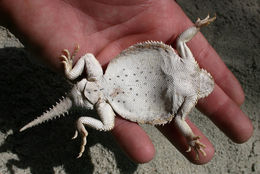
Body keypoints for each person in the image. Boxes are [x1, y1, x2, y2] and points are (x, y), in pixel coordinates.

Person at [0, 0, 252, 164]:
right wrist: (196, 26)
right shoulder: (189, 66)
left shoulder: (189, 96)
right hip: (105, 82)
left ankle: (79, 111)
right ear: (204, 72)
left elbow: (179, 119)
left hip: (106, 97)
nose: (208, 80)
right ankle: (73, 85)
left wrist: (190, 138)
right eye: (208, 77)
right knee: (92, 72)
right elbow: (182, 41)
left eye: (207, 83)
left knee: (108, 121)